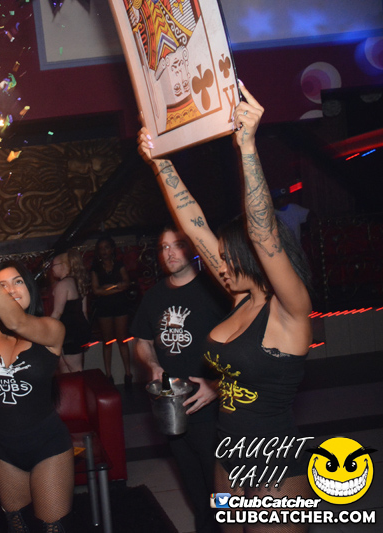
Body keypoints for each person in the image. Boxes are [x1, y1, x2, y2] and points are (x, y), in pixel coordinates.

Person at [139, 84, 314, 532]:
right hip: (226, 453)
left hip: (273, 461)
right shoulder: (239, 298)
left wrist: (247, 147)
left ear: (251, 259)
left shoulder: (289, 310)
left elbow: (262, 231)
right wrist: (160, 163)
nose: (218, 265)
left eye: (227, 258)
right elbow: (193, 222)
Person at [0, 202, 74, 533]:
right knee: (17, 526)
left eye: (17, 282)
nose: (9, 290)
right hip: (3, 447)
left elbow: (18, 322)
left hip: (48, 445)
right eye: (2, 285)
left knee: (52, 527)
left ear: (30, 288)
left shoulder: (50, 330)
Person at [131, 227, 229, 533]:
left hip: (212, 409)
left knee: (223, 493)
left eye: (178, 245)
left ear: (193, 249)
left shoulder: (216, 290)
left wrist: (217, 385)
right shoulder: (154, 297)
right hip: (172, 409)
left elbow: (243, 344)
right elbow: (142, 341)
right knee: (196, 493)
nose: (170, 252)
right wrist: (152, 364)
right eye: (164, 247)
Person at [90, 236, 133, 385]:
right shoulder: (95, 268)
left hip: (120, 305)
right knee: (107, 341)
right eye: (101, 248)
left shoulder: (119, 264)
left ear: (112, 249)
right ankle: (108, 375)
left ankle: (128, 374)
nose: (104, 251)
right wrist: (116, 287)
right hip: (104, 307)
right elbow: (96, 290)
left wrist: (107, 288)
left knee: (122, 340)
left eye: (106, 247)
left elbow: (126, 284)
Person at [50, 249, 92, 373]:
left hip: (69, 333)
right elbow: (84, 311)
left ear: (63, 266)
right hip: (76, 331)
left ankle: (81, 387)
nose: (52, 268)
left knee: (75, 370)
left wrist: (45, 330)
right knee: (66, 368)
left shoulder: (63, 284)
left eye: (54, 265)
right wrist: (86, 333)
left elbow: (57, 313)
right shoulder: (78, 282)